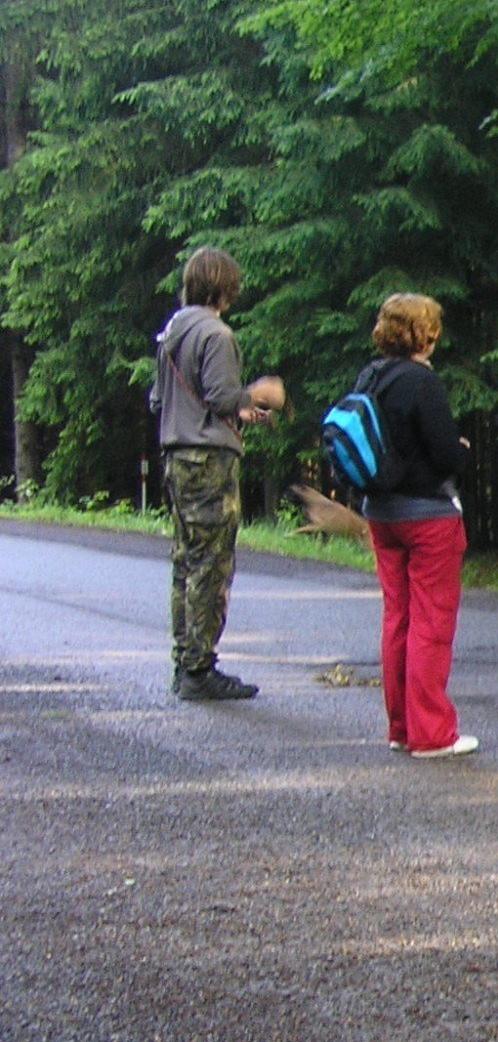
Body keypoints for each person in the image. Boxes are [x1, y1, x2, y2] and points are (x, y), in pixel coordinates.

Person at [149, 246, 286, 701]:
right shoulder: (217, 334)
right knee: (212, 563)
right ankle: (199, 669)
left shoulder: (172, 331)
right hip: (209, 462)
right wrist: (258, 393)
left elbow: (160, 400)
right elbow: (224, 395)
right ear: (226, 288)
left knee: (186, 560)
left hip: (176, 456)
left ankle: (184, 659)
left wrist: (231, 411)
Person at [352, 293, 477, 758]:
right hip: (427, 516)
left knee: (397, 618)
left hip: (380, 511)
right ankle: (432, 732)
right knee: (432, 620)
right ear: (427, 333)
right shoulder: (422, 383)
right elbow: (446, 453)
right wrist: (462, 448)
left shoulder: (371, 376)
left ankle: (401, 726)